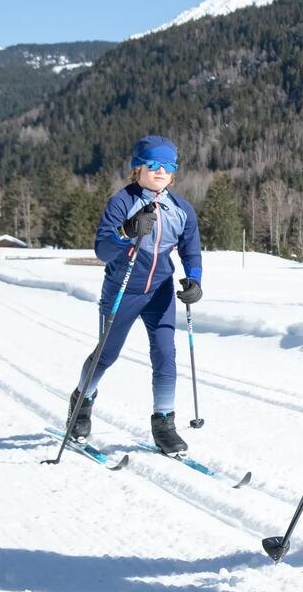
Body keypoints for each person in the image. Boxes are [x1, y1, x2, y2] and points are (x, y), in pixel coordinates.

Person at [69, 135, 204, 455]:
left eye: (168, 166)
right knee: (107, 354)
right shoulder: (122, 202)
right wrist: (127, 231)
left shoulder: (182, 209)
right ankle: (81, 403)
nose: (160, 171)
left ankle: (164, 423)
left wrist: (194, 280)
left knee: (165, 354)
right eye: (153, 165)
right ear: (137, 168)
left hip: (160, 291)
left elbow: (191, 250)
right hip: (122, 289)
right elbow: (103, 249)